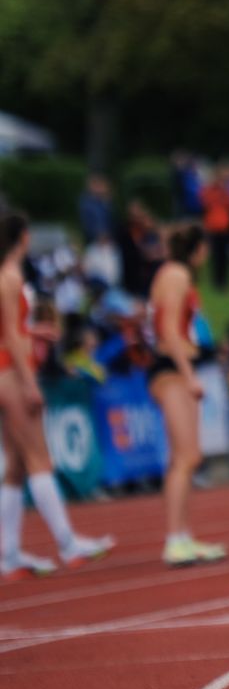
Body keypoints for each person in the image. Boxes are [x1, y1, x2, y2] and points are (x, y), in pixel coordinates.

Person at [0, 212, 115, 578]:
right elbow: (10, 335)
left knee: (16, 466)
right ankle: (67, 542)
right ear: (23, 237)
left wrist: (33, 333)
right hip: (10, 373)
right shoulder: (10, 276)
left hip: (4, 371)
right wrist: (29, 381)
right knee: (39, 458)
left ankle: (8, 552)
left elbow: (10, 330)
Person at [145, 224, 227, 566]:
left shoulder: (174, 274)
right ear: (197, 249)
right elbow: (168, 330)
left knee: (187, 457)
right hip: (172, 370)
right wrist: (189, 374)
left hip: (174, 367)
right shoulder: (176, 274)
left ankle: (182, 536)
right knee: (185, 457)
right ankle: (174, 539)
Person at [200, 164, 229, 292]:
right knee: (216, 255)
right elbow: (205, 201)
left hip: (226, 227)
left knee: (225, 255)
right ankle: (217, 281)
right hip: (213, 227)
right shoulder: (210, 190)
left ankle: (224, 281)